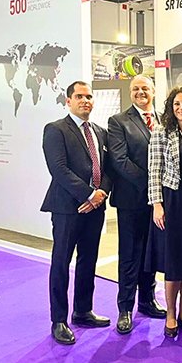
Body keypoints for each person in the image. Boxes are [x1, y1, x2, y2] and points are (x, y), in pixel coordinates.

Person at [41, 81, 113, 345]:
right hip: (67, 209)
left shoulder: (100, 132)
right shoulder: (56, 129)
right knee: (61, 262)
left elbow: (109, 169)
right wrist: (88, 194)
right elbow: (58, 169)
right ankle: (59, 320)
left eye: (89, 96)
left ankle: (83, 311)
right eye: (79, 96)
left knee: (88, 260)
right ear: (68, 101)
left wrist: (100, 194)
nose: (85, 101)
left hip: (95, 208)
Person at [107, 75, 166, 335]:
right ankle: (125, 308)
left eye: (145, 88)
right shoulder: (118, 122)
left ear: (153, 91)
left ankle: (147, 300)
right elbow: (119, 160)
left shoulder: (164, 119)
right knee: (130, 255)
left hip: (159, 202)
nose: (140, 92)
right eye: (135, 89)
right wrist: (152, 185)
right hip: (132, 199)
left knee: (150, 253)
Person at [146, 85, 182, 337]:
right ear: (171, 107)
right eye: (177, 104)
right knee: (174, 260)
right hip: (172, 201)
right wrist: (157, 204)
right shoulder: (162, 131)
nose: (181, 108)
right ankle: (170, 314)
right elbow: (154, 170)